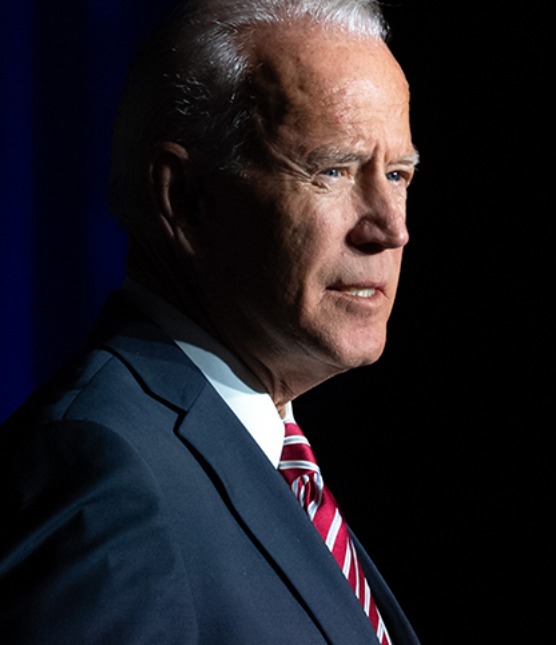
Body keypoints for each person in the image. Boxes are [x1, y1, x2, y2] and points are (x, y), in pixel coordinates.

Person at [0, 0, 420, 642]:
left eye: (397, 174)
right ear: (185, 199)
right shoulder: (103, 472)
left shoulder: (265, 454)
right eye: (332, 170)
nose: (391, 228)